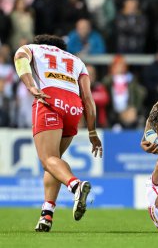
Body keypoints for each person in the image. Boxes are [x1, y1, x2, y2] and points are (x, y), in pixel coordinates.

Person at [13, 34, 102, 232]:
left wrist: (31, 86)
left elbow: (19, 57)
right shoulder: (77, 60)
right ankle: (47, 214)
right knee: (55, 163)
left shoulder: (33, 49)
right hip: (73, 106)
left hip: (49, 98)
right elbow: (88, 98)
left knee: (48, 160)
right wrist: (92, 131)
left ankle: (75, 186)